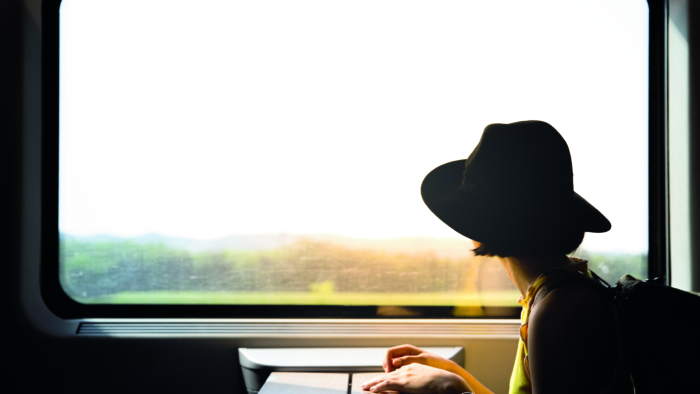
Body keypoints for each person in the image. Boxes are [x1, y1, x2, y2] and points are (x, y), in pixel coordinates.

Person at [361, 121, 632, 394]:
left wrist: (451, 388)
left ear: (479, 225)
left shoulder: (560, 308)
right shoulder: (551, 292)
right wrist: (451, 371)